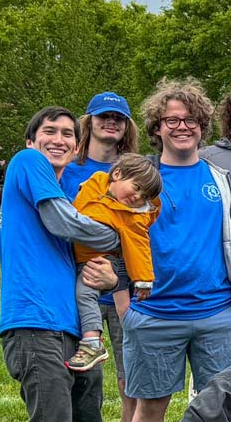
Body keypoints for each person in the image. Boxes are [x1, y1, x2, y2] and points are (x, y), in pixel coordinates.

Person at [113, 78, 231, 422]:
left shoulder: (224, 180)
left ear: (202, 124)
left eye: (190, 119)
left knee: (223, 407)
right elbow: (114, 242)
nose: (182, 127)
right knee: (149, 405)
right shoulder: (139, 178)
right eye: (172, 119)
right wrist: (125, 308)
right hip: (153, 313)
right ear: (157, 126)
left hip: (218, 313)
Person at [0, 106, 121, 422]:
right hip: (33, 324)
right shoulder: (25, 163)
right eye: (49, 131)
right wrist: (120, 236)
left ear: (76, 144)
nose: (59, 138)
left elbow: (86, 264)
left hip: (75, 328)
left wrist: (108, 276)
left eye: (68, 134)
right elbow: (63, 224)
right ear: (32, 139)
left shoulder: (68, 186)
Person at [58, 91, 141, 422]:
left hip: (122, 291)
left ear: (127, 128)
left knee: (132, 387)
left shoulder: (137, 171)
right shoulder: (70, 170)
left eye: (120, 119)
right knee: (77, 388)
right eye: (105, 117)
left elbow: (145, 228)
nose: (112, 123)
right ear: (89, 121)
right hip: (79, 290)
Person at [66, 153, 163, 371]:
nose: (138, 197)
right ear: (117, 174)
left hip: (99, 260)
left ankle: (92, 342)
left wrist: (144, 280)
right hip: (74, 256)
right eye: (136, 187)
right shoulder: (97, 183)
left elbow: (139, 247)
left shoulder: (132, 217)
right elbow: (81, 209)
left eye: (144, 196)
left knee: (85, 292)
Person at [61, 91, 140, 196]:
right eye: (103, 115)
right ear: (89, 122)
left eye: (119, 117)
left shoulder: (134, 173)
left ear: (126, 126)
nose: (112, 121)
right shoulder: (64, 168)